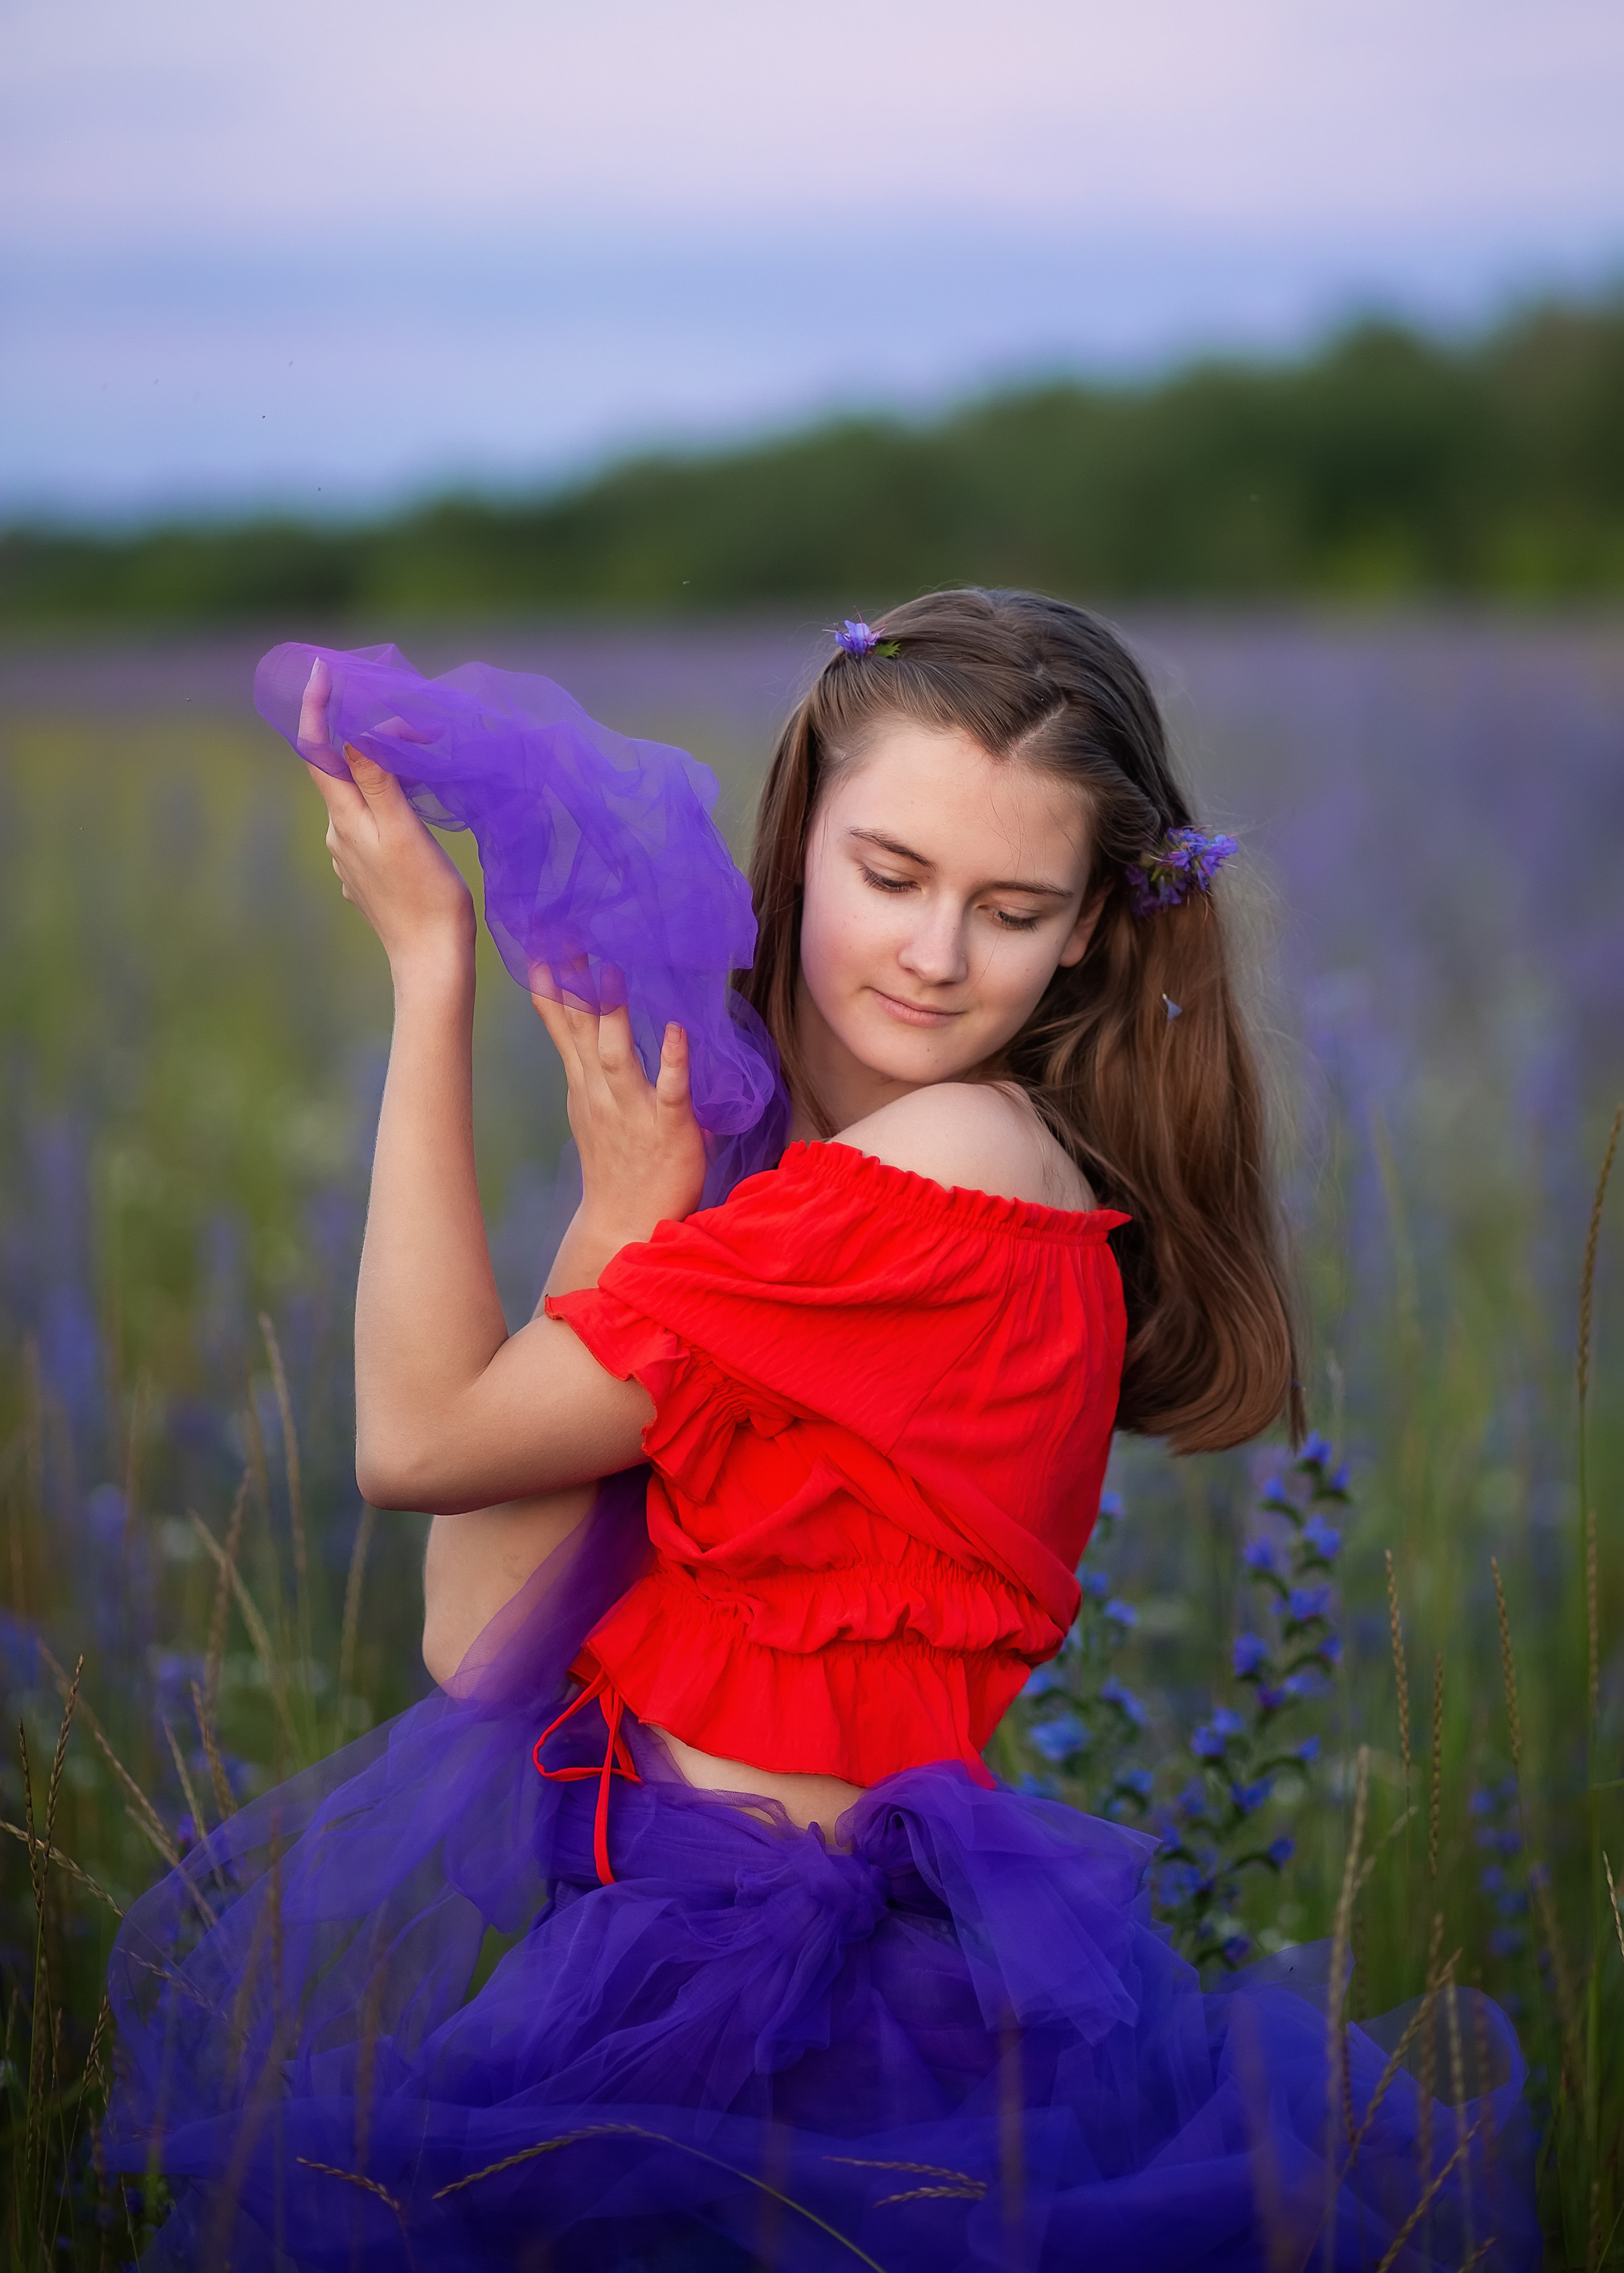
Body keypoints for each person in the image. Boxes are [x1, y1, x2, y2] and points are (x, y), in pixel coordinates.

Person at [105, 591, 1535, 2271]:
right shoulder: (807, 1193)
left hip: (811, 2018)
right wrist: (627, 1209)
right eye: (893, 877)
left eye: (1011, 909)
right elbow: (480, 1637)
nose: (935, 956)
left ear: (1089, 929)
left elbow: (412, 1442)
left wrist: (432, 981)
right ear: (801, 843)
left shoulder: (961, 1173)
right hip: (660, 1959)